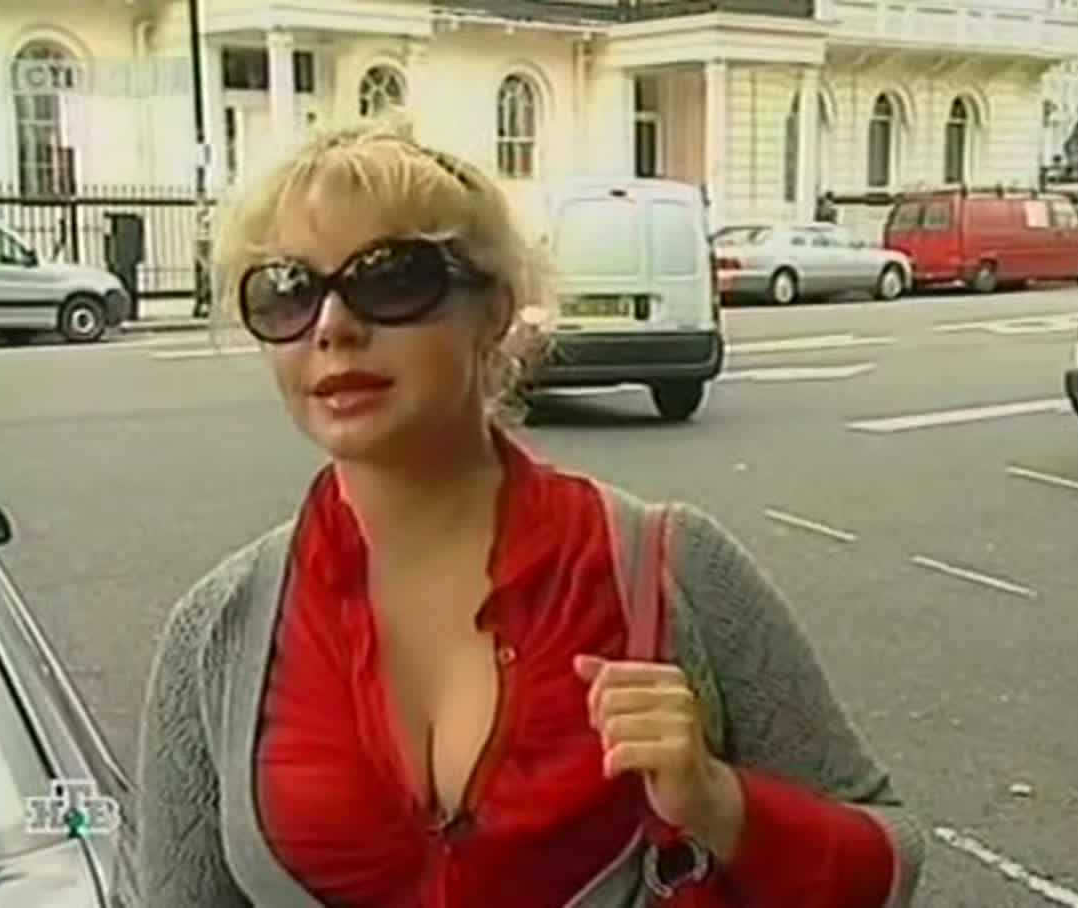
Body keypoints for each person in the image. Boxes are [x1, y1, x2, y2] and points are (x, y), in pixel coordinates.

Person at [135, 115, 925, 907]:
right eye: (287, 292)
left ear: (496, 308)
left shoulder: (669, 568)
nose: (333, 327)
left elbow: (889, 857)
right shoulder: (220, 631)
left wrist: (721, 805)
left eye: (390, 278)